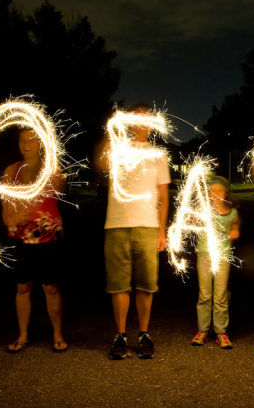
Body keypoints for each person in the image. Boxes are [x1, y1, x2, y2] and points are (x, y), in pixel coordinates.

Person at [95, 103, 170, 360]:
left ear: (152, 124)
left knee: (146, 285)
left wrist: (162, 231)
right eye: (137, 118)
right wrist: (112, 130)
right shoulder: (117, 149)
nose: (142, 123)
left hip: (147, 226)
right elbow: (100, 162)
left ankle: (144, 333)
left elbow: (163, 195)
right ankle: (120, 335)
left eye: (147, 119)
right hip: (116, 224)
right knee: (118, 285)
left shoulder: (158, 154)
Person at [2, 128, 67, 354]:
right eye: (23, 140)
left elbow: (59, 187)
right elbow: (6, 204)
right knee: (22, 286)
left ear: (41, 144)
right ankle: (23, 334)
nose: (27, 143)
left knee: (50, 286)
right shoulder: (11, 170)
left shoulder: (51, 168)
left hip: (48, 234)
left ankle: (57, 334)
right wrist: (10, 218)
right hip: (21, 236)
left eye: (32, 140)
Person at [191, 176, 240, 349]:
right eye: (212, 191)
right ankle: (202, 330)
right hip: (204, 255)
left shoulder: (232, 212)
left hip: (223, 256)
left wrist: (234, 232)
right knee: (205, 294)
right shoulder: (204, 210)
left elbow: (235, 227)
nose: (216, 194)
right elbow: (193, 222)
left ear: (226, 193)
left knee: (220, 295)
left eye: (220, 190)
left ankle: (221, 332)